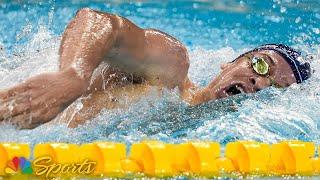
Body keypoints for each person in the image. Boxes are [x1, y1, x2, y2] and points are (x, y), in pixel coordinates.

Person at [0, 8, 311, 129]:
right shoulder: (171, 68)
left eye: (278, 88)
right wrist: (72, 77)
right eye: (260, 65)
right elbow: (99, 22)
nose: (260, 83)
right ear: (229, 62)